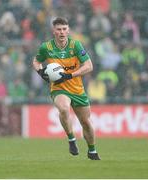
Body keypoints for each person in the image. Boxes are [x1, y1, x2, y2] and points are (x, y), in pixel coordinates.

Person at [32, 17, 101, 160]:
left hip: (77, 89)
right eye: (59, 29)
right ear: (54, 31)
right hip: (58, 88)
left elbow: (89, 66)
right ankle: (71, 139)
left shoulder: (76, 46)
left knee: (86, 122)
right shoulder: (46, 47)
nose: (62, 32)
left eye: (64, 29)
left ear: (68, 30)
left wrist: (70, 75)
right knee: (63, 108)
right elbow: (36, 60)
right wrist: (40, 72)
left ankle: (92, 151)